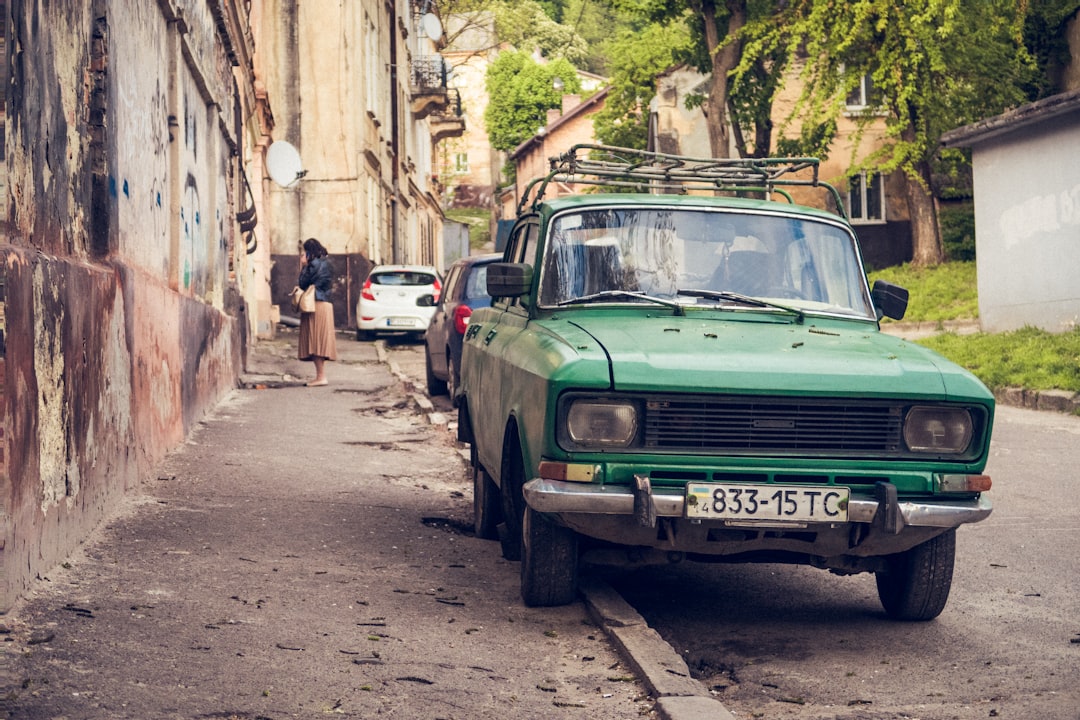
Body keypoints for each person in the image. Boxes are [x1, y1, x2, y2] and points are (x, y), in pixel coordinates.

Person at [297, 237, 338, 386]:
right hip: (326, 304)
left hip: (314, 304)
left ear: (308, 253)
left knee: (315, 342)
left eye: (304, 253)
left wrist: (304, 266)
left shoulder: (312, 265)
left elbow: (302, 283)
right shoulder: (329, 264)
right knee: (320, 341)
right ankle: (321, 375)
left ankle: (320, 377)